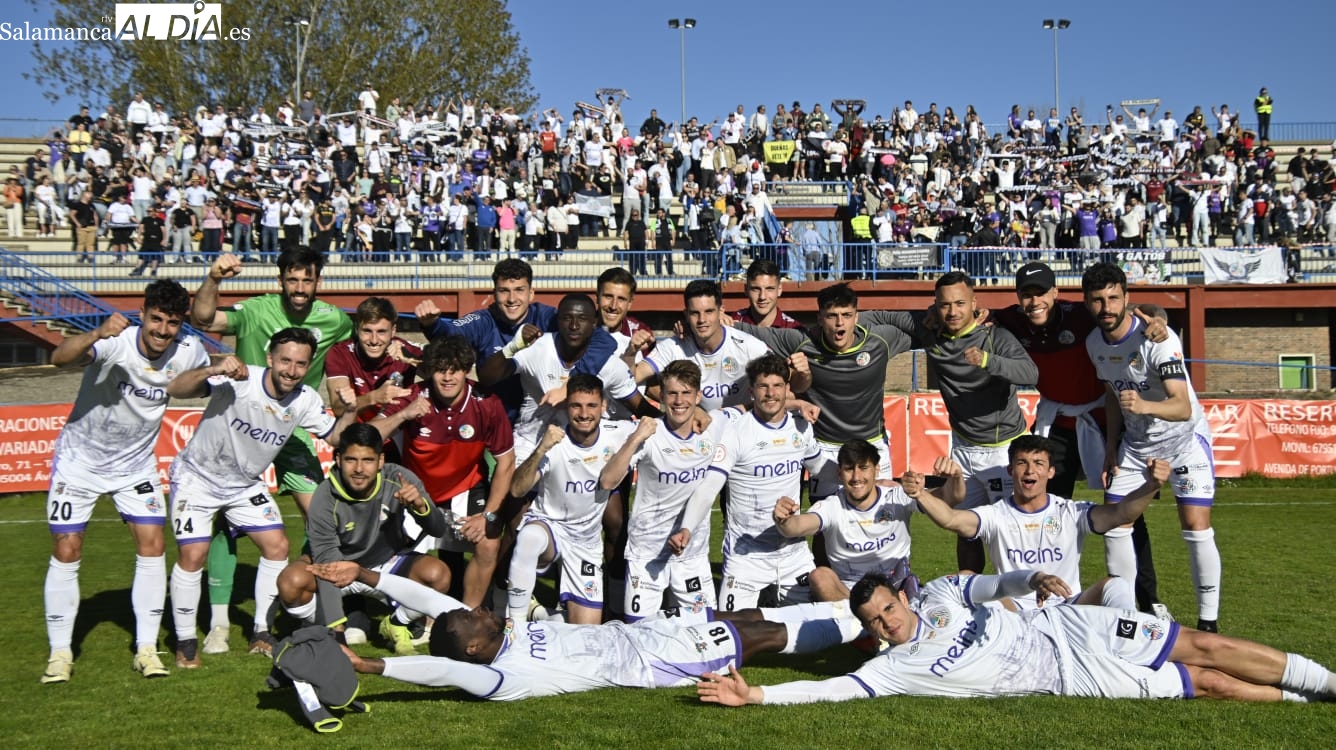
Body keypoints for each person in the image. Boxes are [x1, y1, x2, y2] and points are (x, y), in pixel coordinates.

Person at [698, 569, 1336, 704]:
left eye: (888, 610)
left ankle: (1327, 682)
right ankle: (1303, 704)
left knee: (1203, 643)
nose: (886, 624)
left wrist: (1027, 575)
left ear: (902, 597)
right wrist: (757, 697)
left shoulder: (941, 596)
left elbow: (986, 585)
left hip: (1066, 626)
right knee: (1210, 683)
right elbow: (834, 690)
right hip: (1070, 677)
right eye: (873, 623)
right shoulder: (894, 668)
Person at [311, 563, 862, 701]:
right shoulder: (505, 676)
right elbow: (444, 669)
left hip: (642, 632)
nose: (475, 608)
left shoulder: (498, 634)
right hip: (651, 665)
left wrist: (365, 576)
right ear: (475, 647)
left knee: (744, 621)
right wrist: (373, 666)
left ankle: (855, 620)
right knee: (758, 641)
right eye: (471, 617)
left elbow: (433, 601)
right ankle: (864, 623)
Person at [40, 280, 208, 684]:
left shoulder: (190, 351)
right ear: (143, 313)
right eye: (156, 319)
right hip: (80, 461)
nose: (162, 331)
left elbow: (195, 385)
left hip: (135, 466)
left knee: (152, 546)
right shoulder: (117, 341)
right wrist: (97, 332)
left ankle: (146, 649)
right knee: (67, 548)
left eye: (172, 323)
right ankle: (60, 654)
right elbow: (59, 357)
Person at [189, 247, 353, 655]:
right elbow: (204, 319)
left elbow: (351, 357)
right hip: (240, 432)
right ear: (281, 281)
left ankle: (307, 602)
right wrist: (214, 278)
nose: (300, 288)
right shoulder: (255, 310)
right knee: (227, 525)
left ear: (318, 281)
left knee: (322, 517)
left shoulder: (335, 320)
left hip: (294, 429)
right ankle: (221, 623)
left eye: (308, 280)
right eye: (292, 280)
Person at [165, 327, 359, 666]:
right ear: (270, 358)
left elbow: (336, 438)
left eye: (301, 364)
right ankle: (184, 641)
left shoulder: (305, 400)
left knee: (278, 547)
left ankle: (261, 632)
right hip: (197, 478)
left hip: (244, 485)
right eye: (285, 360)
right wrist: (213, 367)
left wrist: (350, 411)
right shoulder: (241, 378)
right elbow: (176, 389)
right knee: (194, 554)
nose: (291, 370)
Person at [991, 262, 1173, 615]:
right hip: (1057, 423)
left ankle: (1148, 602)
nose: (1034, 301)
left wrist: (1160, 318)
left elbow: (1145, 311)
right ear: (1018, 298)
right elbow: (979, 317)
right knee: (1040, 508)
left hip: (1106, 421)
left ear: (1056, 293)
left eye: (1041, 293)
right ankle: (1042, 596)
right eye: (1026, 295)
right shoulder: (1011, 319)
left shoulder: (1082, 314)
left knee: (1126, 510)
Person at [860, 272, 1039, 572]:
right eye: (944, 305)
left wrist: (986, 361)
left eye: (960, 303)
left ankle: (1023, 605)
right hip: (964, 450)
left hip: (1003, 449)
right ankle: (968, 595)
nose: (953, 312)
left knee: (1012, 533)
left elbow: (1030, 374)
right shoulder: (930, 330)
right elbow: (877, 316)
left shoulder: (995, 336)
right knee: (965, 531)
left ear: (974, 303)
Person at [1083, 263, 1222, 632]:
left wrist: (1143, 406)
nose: (1107, 307)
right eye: (1098, 300)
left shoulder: (1157, 339)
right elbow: (1113, 395)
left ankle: (1208, 623)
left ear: (1127, 299)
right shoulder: (1094, 343)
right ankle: (1126, 619)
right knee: (1114, 524)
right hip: (1134, 447)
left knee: (1195, 527)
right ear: (1087, 303)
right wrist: (1111, 447)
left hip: (1184, 442)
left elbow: (1182, 406)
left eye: (1114, 298)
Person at [910, 435, 1172, 611]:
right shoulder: (995, 514)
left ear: (1050, 472)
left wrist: (1152, 486)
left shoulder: (1071, 511)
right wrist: (920, 493)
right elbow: (951, 519)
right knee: (968, 580)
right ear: (1010, 471)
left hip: (1068, 607)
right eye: (1022, 463)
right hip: (1013, 612)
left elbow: (1122, 514)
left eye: (1038, 463)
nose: (1030, 470)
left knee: (1116, 585)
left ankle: (1126, 646)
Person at [277, 423, 453, 656]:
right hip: (339, 567)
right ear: (338, 460)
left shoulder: (400, 479)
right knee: (290, 583)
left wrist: (421, 506)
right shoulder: (324, 497)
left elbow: (438, 529)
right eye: (351, 460)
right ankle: (320, 625)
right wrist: (338, 637)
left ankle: (397, 622)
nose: (359, 469)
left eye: (368, 460)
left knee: (438, 575)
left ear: (380, 461)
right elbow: (328, 564)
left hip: (385, 565)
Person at [373, 335, 514, 610]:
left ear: (466, 370)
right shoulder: (413, 397)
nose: (448, 378)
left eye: (455, 370)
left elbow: (506, 463)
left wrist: (489, 515)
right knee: (389, 552)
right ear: (429, 371)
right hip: (416, 492)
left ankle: (467, 615)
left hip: (465, 488)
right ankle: (406, 615)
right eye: (440, 370)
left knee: (488, 542)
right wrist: (403, 415)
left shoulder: (487, 403)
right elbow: (367, 436)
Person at [733, 283, 914, 497]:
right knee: (824, 524)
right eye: (832, 316)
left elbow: (926, 330)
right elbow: (748, 331)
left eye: (847, 315)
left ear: (857, 317)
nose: (840, 323)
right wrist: (703, 324)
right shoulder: (802, 342)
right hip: (826, 451)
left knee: (880, 522)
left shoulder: (881, 340)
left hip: (872, 446)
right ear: (820, 318)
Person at [680, 354, 827, 611]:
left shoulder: (801, 427)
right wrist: (686, 528)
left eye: (777, 386)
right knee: (734, 633)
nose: (770, 394)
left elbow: (822, 471)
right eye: (763, 386)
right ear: (752, 391)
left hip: (792, 553)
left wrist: (874, 483)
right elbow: (709, 487)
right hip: (745, 555)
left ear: (787, 390)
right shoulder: (734, 430)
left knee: (812, 630)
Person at [599, 361, 730, 619]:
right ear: (661, 397)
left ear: (698, 396)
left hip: (692, 554)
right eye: (672, 393)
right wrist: (636, 437)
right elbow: (607, 481)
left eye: (686, 393)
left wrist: (798, 404)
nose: (679, 401)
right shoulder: (650, 434)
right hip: (646, 554)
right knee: (640, 633)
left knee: (702, 632)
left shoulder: (714, 428)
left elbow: (748, 409)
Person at [505, 374, 635, 625]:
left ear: (604, 407)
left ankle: (540, 616)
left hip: (585, 542)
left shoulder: (619, 433)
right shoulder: (554, 440)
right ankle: (516, 626)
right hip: (549, 526)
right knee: (529, 538)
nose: (584, 414)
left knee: (585, 632)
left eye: (592, 406)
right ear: (567, 406)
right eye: (576, 405)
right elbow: (517, 490)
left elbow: (664, 423)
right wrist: (541, 448)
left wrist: (698, 414)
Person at [772, 439, 951, 601]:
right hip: (849, 589)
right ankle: (883, 609)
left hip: (890, 581)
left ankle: (884, 606)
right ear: (839, 473)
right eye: (849, 469)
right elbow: (796, 527)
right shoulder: (831, 506)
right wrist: (783, 520)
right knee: (819, 577)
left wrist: (956, 479)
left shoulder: (897, 496)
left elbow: (948, 498)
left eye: (864, 468)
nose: (856, 477)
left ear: (877, 470)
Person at [635, 280, 776, 412]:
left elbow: (782, 385)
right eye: (695, 313)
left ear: (721, 311)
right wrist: (689, 410)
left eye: (709, 311)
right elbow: (632, 378)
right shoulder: (673, 347)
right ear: (686, 315)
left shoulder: (748, 345)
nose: (702, 320)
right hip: (697, 431)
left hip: (743, 428)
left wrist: (737, 412)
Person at [732, 259, 806, 329]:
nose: (762, 297)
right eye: (756, 289)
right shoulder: (731, 324)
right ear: (746, 289)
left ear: (779, 289)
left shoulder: (794, 329)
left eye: (769, 289)